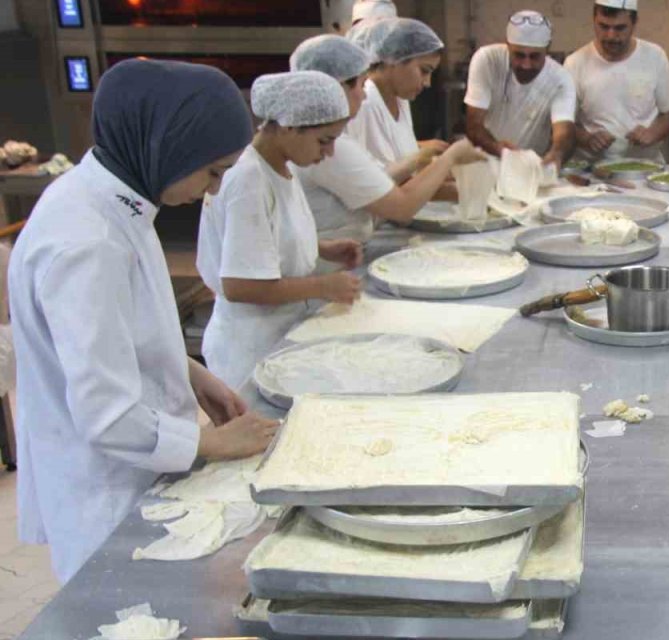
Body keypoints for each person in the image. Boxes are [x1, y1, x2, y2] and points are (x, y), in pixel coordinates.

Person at [8, 59, 279, 583]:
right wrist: (208, 444)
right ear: (169, 145)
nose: (215, 190)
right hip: (109, 486)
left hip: (140, 461)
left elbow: (117, 329)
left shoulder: (119, 198)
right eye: (213, 172)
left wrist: (189, 372)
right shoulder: (87, 241)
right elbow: (105, 415)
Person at [197, 71, 364, 388]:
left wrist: (321, 247)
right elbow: (241, 285)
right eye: (323, 141)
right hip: (249, 349)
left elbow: (261, 240)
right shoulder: (248, 178)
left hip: (278, 334)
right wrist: (323, 286)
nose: (328, 153)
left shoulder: (279, 168)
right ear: (289, 125)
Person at [289, 35, 485, 246]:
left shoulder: (323, 138)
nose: (364, 97)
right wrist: (451, 156)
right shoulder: (328, 146)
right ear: (337, 88)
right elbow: (402, 207)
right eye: (362, 86)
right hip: (328, 266)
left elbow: (377, 178)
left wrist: (419, 159)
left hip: (341, 252)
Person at [565, 0, 669, 163]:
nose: (611, 36)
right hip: (593, 172)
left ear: (634, 23)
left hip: (645, 167)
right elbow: (564, 123)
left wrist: (652, 133)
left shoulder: (655, 57)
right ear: (593, 20)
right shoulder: (575, 63)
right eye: (603, 26)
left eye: (620, 28)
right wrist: (587, 139)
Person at [464, 10, 576, 166]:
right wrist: (498, 149)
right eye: (519, 55)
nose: (526, 65)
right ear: (507, 45)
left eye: (535, 56)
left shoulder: (560, 79)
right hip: (485, 163)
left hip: (530, 168)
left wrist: (556, 154)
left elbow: (564, 131)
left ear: (547, 50)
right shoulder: (487, 60)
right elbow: (474, 125)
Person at [345, 18, 449, 172]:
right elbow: (379, 185)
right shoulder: (365, 104)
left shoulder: (401, 100)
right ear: (395, 58)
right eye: (424, 71)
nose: (427, 83)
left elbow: (403, 165)